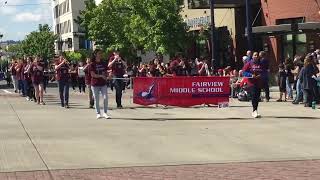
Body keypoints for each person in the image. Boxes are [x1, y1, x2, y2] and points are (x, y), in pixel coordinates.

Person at [242, 52, 264, 118]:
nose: (256, 56)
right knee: (254, 96)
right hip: (251, 83)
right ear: (252, 56)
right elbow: (244, 72)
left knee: (257, 97)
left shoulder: (260, 64)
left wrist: (261, 75)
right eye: (255, 55)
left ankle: (255, 110)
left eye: (257, 55)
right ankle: (254, 110)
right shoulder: (249, 63)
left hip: (259, 83)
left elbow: (264, 71)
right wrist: (251, 75)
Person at [91, 49, 110, 119]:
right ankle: (98, 113)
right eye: (99, 53)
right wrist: (101, 76)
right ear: (95, 54)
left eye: (101, 53)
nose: (100, 55)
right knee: (96, 99)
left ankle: (105, 113)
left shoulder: (103, 63)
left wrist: (109, 74)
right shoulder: (92, 64)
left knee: (105, 98)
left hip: (103, 84)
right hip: (95, 84)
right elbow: (93, 75)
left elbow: (107, 71)